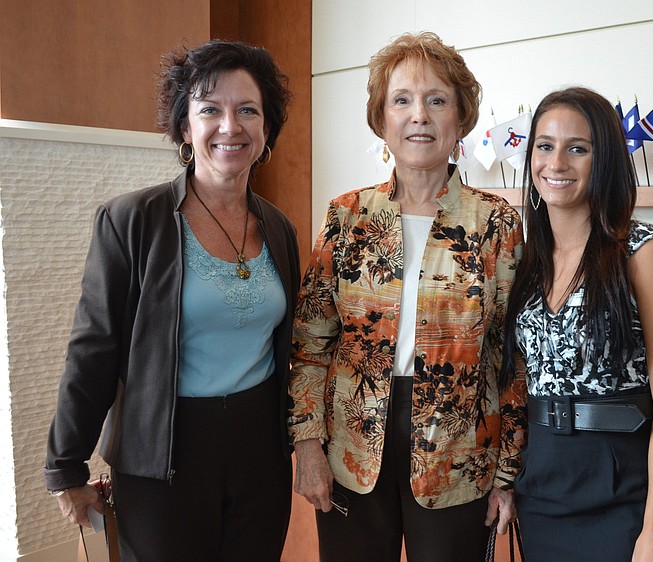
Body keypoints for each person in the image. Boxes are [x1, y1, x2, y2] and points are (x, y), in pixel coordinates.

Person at [44, 40, 300, 562]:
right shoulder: (132, 221)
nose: (230, 126)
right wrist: (65, 467)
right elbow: (93, 350)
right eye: (210, 110)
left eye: (247, 110)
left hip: (260, 454)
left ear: (266, 129)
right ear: (186, 128)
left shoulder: (280, 229)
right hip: (163, 454)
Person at [288, 32, 526, 562]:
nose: (419, 115)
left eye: (437, 100)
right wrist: (306, 442)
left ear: (460, 119)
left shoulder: (497, 225)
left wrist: (508, 472)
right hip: (354, 442)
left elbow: (513, 356)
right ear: (382, 120)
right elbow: (310, 343)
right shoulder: (347, 216)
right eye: (402, 100)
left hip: (459, 452)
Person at [501, 87, 653, 562]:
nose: (557, 162)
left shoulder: (644, 251)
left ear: (603, 158)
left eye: (577, 148)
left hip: (622, 488)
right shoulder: (527, 259)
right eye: (544, 146)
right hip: (543, 483)